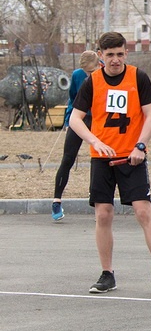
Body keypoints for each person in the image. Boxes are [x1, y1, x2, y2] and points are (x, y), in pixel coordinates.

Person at [68, 32, 151, 294]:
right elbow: (75, 119)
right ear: (100, 55)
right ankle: (107, 274)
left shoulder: (138, 77)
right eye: (109, 54)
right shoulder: (91, 82)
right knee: (103, 214)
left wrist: (141, 146)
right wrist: (95, 141)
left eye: (119, 54)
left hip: (132, 156)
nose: (115, 59)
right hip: (102, 158)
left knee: (143, 211)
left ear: (126, 53)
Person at [52, 50, 101, 221]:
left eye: (92, 71)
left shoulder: (105, 73)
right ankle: (57, 200)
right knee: (68, 158)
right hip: (80, 118)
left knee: (98, 158)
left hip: (98, 119)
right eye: (86, 72)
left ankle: (96, 199)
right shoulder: (77, 75)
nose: (89, 75)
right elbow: (73, 99)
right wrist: (68, 120)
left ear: (98, 64)